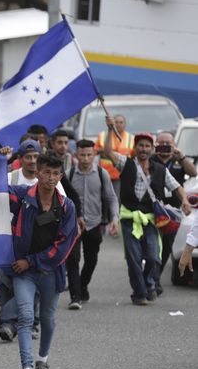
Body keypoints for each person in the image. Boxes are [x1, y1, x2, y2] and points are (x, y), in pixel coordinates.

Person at [6, 153, 79, 369]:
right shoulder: (20, 197)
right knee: (26, 317)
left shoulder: (67, 207)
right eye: (46, 172)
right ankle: (27, 368)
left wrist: (32, 261)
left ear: (61, 176)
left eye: (56, 173)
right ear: (37, 173)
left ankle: (42, 360)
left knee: (47, 318)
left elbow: (63, 245)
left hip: (50, 271)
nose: (51, 177)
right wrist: (0, 161)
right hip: (22, 271)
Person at [101, 117, 191, 304]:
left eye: (147, 146)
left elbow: (177, 187)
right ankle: (139, 293)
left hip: (151, 220)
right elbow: (108, 151)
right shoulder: (126, 163)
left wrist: (184, 200)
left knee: (153, 257)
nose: (143, 149)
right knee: (133, 259)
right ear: (136, 148)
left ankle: (149, 283)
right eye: (140, 145)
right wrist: (110, 130)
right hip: (129, 218)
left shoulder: (160, 170)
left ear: (152, 149)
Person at [66, 139, 119, 308]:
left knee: (91, 260)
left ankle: (82, 284)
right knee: (73, 260)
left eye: (89, 154)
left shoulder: (102, 174)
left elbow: (111, 198)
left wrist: (114, 219)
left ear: (94, 154)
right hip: (73, 225)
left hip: (94, 223)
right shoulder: (69, 174)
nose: (86, 158)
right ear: (76, 155)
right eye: (82, 155)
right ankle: (75, 296)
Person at [152, 131, 197, 290]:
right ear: (155, 144)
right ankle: (150, 277)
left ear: (174, 145)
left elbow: (193, 173)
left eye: (168, 144)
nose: (164, 147)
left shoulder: (178, 162)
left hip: (173, 212)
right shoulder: (150, 160)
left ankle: (155, 279)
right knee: (152, 246)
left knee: (166, 247)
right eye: (161, 143)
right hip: (153, 209)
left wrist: (181, 156)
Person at [95, 113, 134, 200]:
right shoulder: (103, 135)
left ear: (125, 124)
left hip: (121, 175)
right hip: (105, 175)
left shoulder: (131, 138)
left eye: (121, 122)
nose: (118, 124)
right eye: (116, 122)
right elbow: (95, 150)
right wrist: (106, 151)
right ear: (112, 123)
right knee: (104, 199)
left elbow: (134, 155)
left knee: (117, 199)